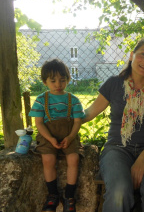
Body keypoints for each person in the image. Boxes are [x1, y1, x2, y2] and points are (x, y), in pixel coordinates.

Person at [82, 37, 144, 212]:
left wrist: (143, 159)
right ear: (132, 56)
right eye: (142, 54)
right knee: (119, 192)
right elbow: (89, 112)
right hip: (117, 148)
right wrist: (65, 120)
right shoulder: (113, 84)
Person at [29, 59, 85, 212]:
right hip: (48, 135)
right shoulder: (41, 100)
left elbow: (77, 122)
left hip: (69, 134)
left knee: (73, 158)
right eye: (53, 80)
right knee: (48, 159)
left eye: (62, 80)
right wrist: (50, 139)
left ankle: (69, 196)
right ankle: (53, 194)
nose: (58, 84)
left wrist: (71, 137)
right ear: (45, 81)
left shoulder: (73, 100)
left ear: (68, 79)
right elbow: (39, 123)